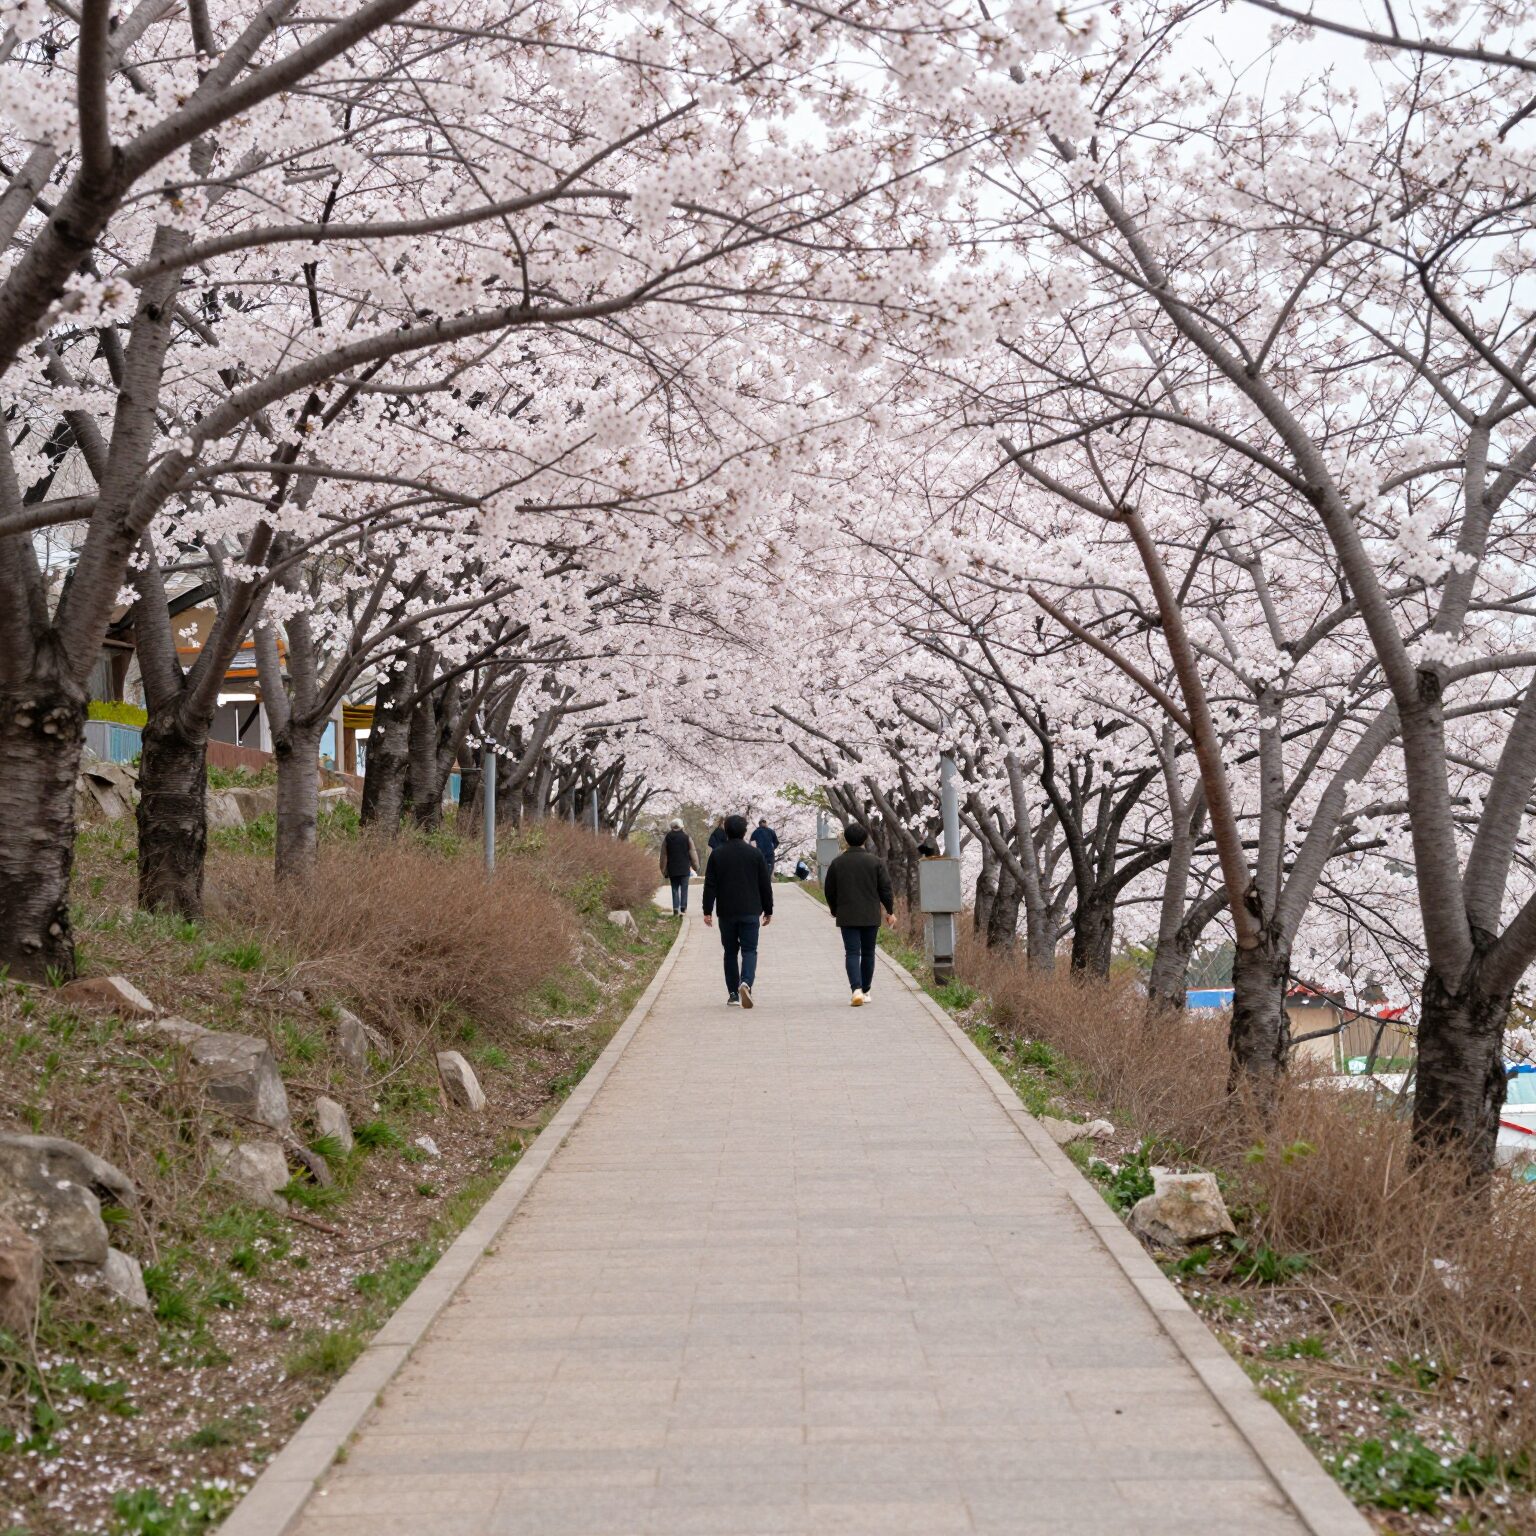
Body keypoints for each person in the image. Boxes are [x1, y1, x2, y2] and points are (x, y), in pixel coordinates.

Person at [702, 813, 774, 1008]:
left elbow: (710, 884)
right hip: (751, 910)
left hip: (726, 911)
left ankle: (733, 994)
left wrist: (707, 910)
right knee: (750, 950)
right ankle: (746, 982)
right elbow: (764, 884)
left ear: (725, 830)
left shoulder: (718, 854)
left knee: (730, 952)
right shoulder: (755, 854)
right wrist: (768, 910)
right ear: (744, 832)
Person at [823, 823, 894, 1007]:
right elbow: (885, 888)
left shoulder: (838, 863)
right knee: (869, 953)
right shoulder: (875, 862)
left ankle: (855, 989)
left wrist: (834, 909)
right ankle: (866, 990)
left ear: (846, 840)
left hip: (847, 914)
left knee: (852, 952)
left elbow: (829, 889)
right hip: (870, 914)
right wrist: (890, 911)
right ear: (865, 839)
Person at [659, 818, 699, 916]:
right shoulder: (686, 837)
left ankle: (675, 908)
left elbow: (664, 855)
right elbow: (692, 853)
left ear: (672, 827)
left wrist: (663, 869)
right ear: (681, 826)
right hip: (684, 867)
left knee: (675, 889)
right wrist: (695, 866)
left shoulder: (667, 838)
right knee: (684, 889)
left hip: (672, 868)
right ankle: (683, 909)